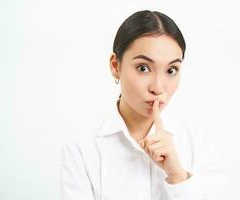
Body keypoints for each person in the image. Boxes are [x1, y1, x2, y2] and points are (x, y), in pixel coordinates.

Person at [60, 10, 228, 200]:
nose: (158, 87)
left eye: (171, 70)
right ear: (115, 66)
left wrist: (177, 176)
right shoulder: (80, 150)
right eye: (143, 68)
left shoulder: (200, 145)